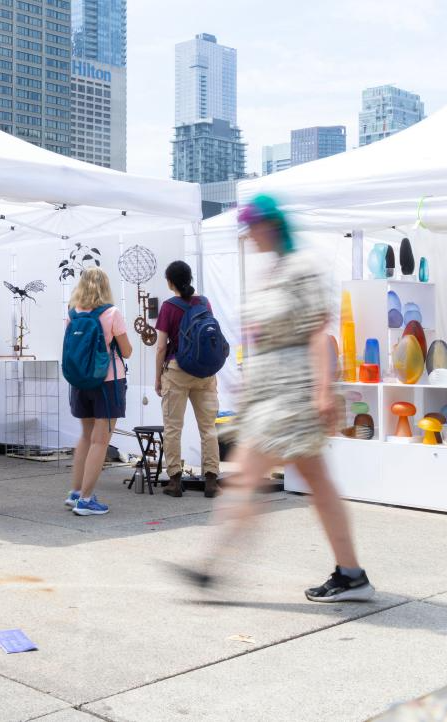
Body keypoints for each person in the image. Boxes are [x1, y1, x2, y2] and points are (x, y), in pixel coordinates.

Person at [174, 195, 375, 603]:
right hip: (272, 398)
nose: (248, 236)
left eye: (252, 227)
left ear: (270, 225)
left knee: (248, 478)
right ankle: (351, 574)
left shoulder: (301, 268)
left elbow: (319, 333)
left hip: (292, 398)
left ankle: (209, 566)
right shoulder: (273, 271)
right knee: (314, 483)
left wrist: (323, 392)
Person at [65, 267, 133, 516]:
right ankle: (86, 500)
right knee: (100, 441)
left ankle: (76, 493)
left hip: (80, 381)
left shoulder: (73, 313)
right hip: (108, 382)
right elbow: (126, 351)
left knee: (86, 437)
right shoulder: (111, 313)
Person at [154, 261, 221, 498]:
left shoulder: (168, 307)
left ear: (170, 282)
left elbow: (161, 347)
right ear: (190, 278)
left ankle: (175, 481)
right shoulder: (204, 303)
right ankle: (211, 480)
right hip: (205, 372)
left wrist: (157, 378)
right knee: (208, 428)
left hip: (177, 371)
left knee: (173, 428)